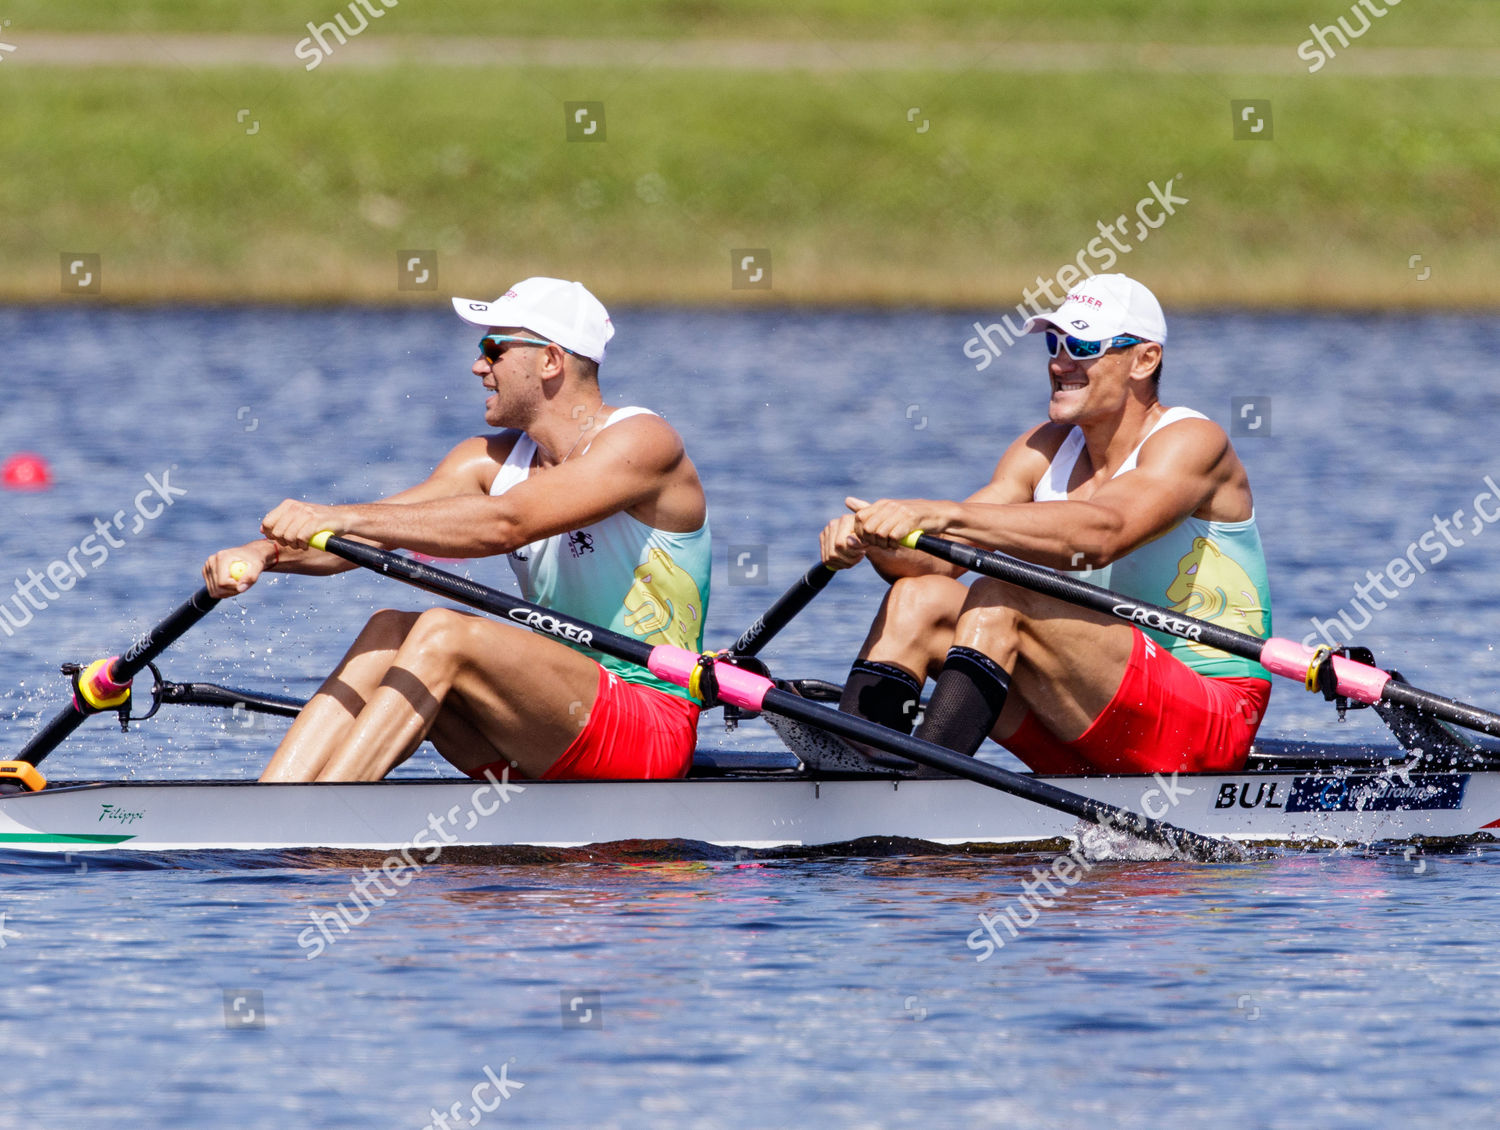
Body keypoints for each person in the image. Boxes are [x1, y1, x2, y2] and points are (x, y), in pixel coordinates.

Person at [203, 277, 711, 783]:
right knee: (389, 630)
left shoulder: (643, 441)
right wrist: (261, 553)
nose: (478, 365)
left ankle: (325, 814)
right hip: (540, 725)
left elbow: (507, 524)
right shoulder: (485, 461)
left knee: (444, 631)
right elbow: (355, 546)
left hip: (648, 728)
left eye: (494, 349)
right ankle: (276, 800)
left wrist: (339, 515)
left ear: (551, 360)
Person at [819, 273, 1272, 775]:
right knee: (918, 597)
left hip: (1207, 721)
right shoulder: (1045, 447)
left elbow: (1104, 533)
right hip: (1087, 713)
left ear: (1145, 360)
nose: (1059, 362)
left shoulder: (1191, 442)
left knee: (1001, 595)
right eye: (1055, 343)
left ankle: (923, 791)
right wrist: (873, 538)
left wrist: (942, 511)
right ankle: (855, 774)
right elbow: (931, 557)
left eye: (1082, 345)